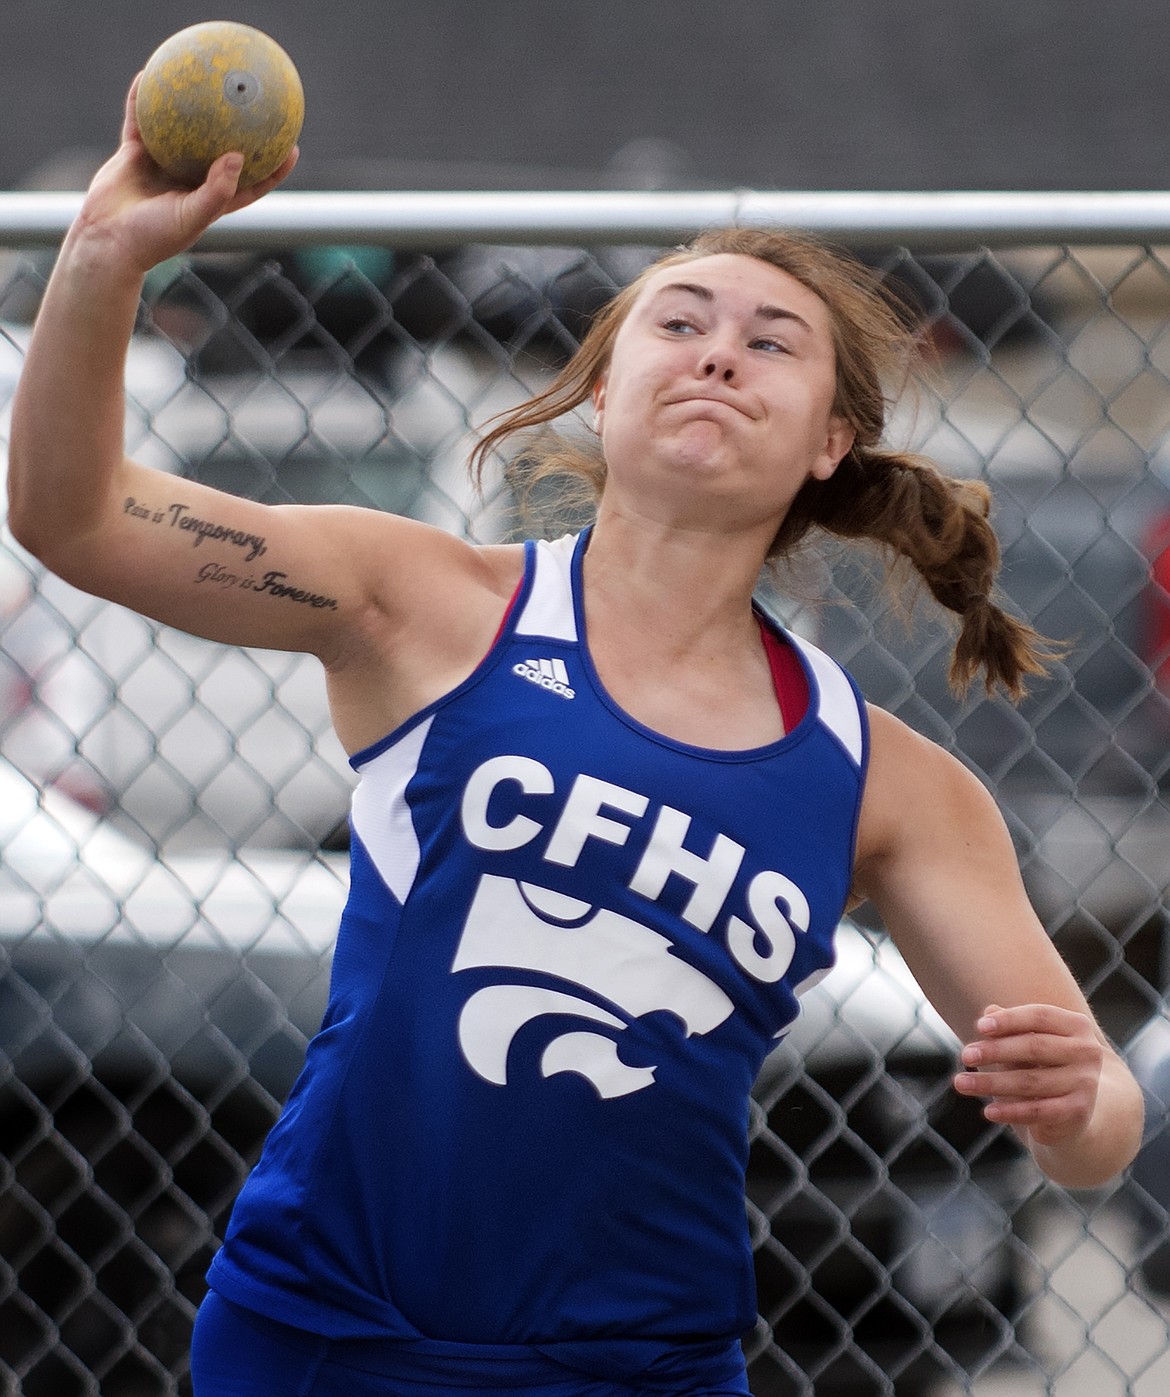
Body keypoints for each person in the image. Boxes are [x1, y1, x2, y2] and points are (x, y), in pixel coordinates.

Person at [8, 80, 1145, 1397]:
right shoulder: (421, 602)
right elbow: (72, 515)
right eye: (679, 320)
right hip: (328, 1329)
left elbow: (1100, 1126)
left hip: (637, 1365)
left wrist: (1071, 1107)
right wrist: (98, 263)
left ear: (831, 440)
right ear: (601, 394)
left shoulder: (885, 780)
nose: (720, 351)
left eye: (772, 340)